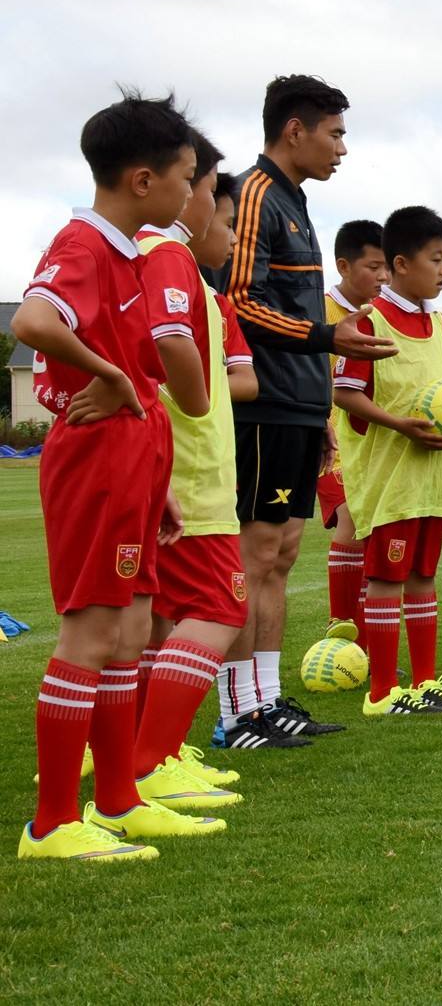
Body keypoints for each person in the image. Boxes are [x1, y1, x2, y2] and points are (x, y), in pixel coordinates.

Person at [16, 91, 197, 862]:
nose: (194, 191)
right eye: (188, 176)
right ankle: (53, 822)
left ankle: (118, 800)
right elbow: (31, 321)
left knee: (128, 631)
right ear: (143, 179)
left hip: (136, 459)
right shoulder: (83, 244)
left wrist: (160, 487)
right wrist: (112, 376)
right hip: (96, 455)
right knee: (91, 631)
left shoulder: (129, 254)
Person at [212, 75, 393, 743]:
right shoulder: (256, 194)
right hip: (262, 409)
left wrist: (318, 413)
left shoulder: (294, 200)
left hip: (296, 408)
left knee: (283, 553)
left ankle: (265, 699)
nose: (342, 148)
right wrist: (329, 337)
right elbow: (239, 300)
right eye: (336, 132)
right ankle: (236, 715)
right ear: (296, 130)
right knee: (256, 554)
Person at [123, 137, 260, 825]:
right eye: (224, 211)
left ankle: (146, 758)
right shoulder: (167, 255)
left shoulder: (143, 259)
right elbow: (170, 351)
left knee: (156, 622)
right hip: (191, 474)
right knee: (219, 610)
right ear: (193, 190)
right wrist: (195, 401)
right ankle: (149, 764)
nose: (226, 230)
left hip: (168, 467)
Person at [332, 206, 442, 716]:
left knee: (424, 577)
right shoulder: (369, 320)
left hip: (430, 478)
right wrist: (401, 425)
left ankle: (425, 682)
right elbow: (346, 394)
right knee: (388, 579)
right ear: (402, 264)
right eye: (437, 258)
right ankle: (383, 692)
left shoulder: (437, 321)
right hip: (388, 479)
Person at [319, 220, 388, 640]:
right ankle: (341, 627)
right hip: (329, 442)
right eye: (373, 267)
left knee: (370, 532)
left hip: (371, 445)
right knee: (351, 522)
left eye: (386, 269)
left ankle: (360, 640)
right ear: (344, 266)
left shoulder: (382, 318)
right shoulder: (319, 312)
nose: (382, 277)